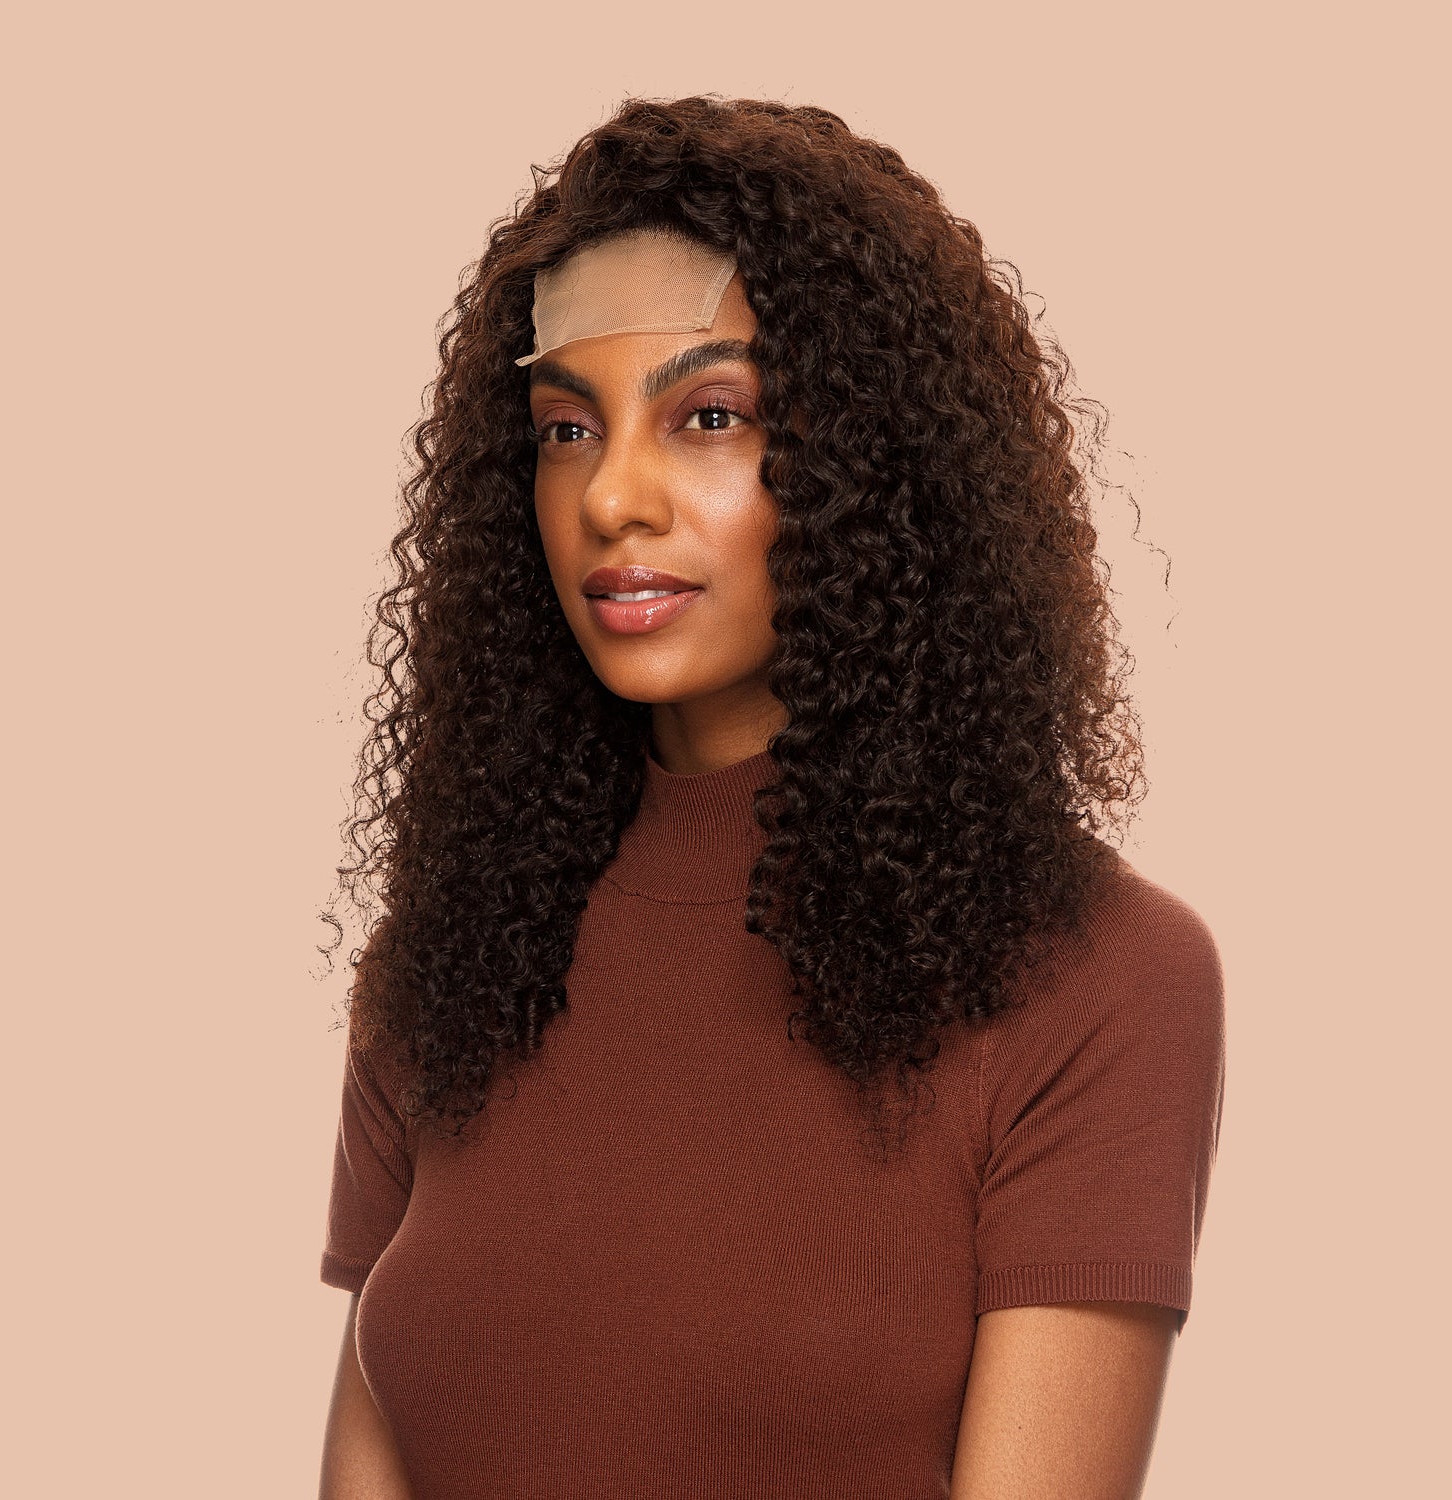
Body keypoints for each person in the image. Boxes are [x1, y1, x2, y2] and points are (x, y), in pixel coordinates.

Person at [316, 95, 1227, 1500]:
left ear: (875, 466)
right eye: (566, 429)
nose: (613, 497)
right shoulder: (454, 960)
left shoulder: (1090, 974)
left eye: (710, 416)